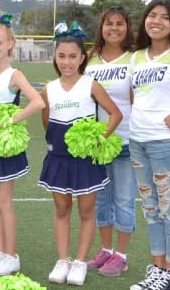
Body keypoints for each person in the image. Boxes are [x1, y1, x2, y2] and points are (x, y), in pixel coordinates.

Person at [38, 22, 122, 286]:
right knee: (62, 209)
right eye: (61, 56)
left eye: (73, 56)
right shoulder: (48, 89)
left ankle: (80, 262)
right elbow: (47, 124)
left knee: (87, 211)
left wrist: (99, 139)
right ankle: (62, 260)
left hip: (85, 161)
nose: (67, 62)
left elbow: (115, 114)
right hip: (59, 159)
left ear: (82, 57)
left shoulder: (91, 85)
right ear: (55, 57)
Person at [0, 14, 44, 275]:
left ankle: (12, 255)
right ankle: (0, 251)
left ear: (11, 43)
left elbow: (38, 102)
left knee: (4, 201)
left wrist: (12, 120)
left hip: (5, 147)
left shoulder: (15, 75)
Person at [129, 0, 170, 290]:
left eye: (164, 17)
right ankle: (158, 271)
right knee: (150, 208)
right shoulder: (137, 57)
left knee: (169, 209)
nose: (156, 21)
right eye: (151, 15)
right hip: (138, 142)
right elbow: (137, 97)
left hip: (166, 144)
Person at [85, 7, 137, 277]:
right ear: (101, 27)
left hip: (127, 140)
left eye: (120, 24)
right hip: (98, 143)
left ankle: (122, 255)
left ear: (127, 28)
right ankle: (105, 249)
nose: (114, 28)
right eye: (109, 23)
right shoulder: (90, 59)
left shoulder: (135, 59)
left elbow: (137, 100)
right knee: (101, 199)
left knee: (125, 199)